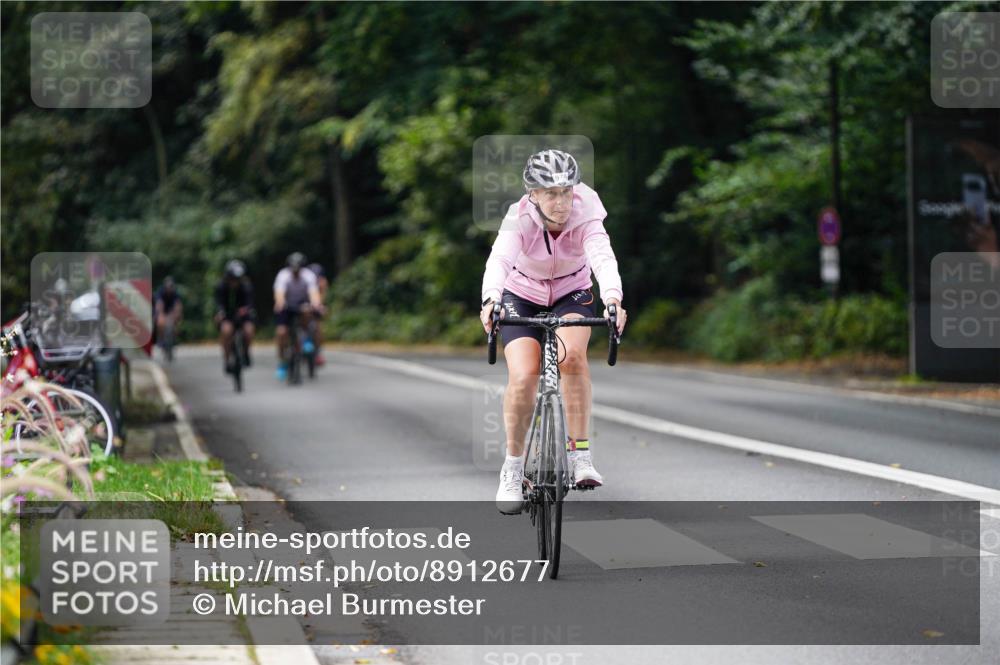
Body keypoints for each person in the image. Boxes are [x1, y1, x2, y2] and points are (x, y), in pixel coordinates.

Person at [479, 149, 627, 514]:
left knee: (572, 358)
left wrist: (612, 298)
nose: (561, 202)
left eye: (566, 191)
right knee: (524, 375)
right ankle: (513, 468)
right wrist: (491, 299)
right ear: (533, 194)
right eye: (551, 193)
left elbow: (602, 257)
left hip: (571, 291)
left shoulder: (587, 210)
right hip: (521, 293)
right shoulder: (519, 217)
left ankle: (581, 455)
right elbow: (500, 259)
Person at [273, 252, 323, 381]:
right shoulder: (283, 275)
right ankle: (282, 362)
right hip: (287, 306)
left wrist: (316, 304)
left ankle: (306, 339)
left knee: (307, 311)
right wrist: (280, 303)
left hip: (302, 305)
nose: (296, 272)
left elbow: (313, 293)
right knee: (281, 333)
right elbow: (279, 293)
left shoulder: (308, 275)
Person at [213, 259, 256, 374]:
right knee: (226, 331)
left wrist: (246, 310)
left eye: (237, 279)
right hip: (227, 315)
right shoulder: (221, 286)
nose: (234, 282)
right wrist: (220, 313)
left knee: (249, 330)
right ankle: (227, 359)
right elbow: (218, 303)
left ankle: (246, 352)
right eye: (232, 279)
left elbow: (250, 303)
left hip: (243, 315)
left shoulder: (246, 286)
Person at [153, 276, 183, 358]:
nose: (170, 288)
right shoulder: (161, 293)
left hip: (171, 312)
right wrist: (161, 315)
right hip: (162, 310)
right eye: (168, 287)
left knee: (177, 322)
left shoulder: (175, 294)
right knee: (160, 322)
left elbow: (178, 305)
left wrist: (177, 315)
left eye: (171, 287)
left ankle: (174, 339)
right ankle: (161, 339)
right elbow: (159, 305)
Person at [306, 262, 329, 367]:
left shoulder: (323, 283)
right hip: (304, 304)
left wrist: (320, 306)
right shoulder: (305, 280)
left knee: (318, 328)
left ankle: (318, 352)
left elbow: (322, 297)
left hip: (316, 304)